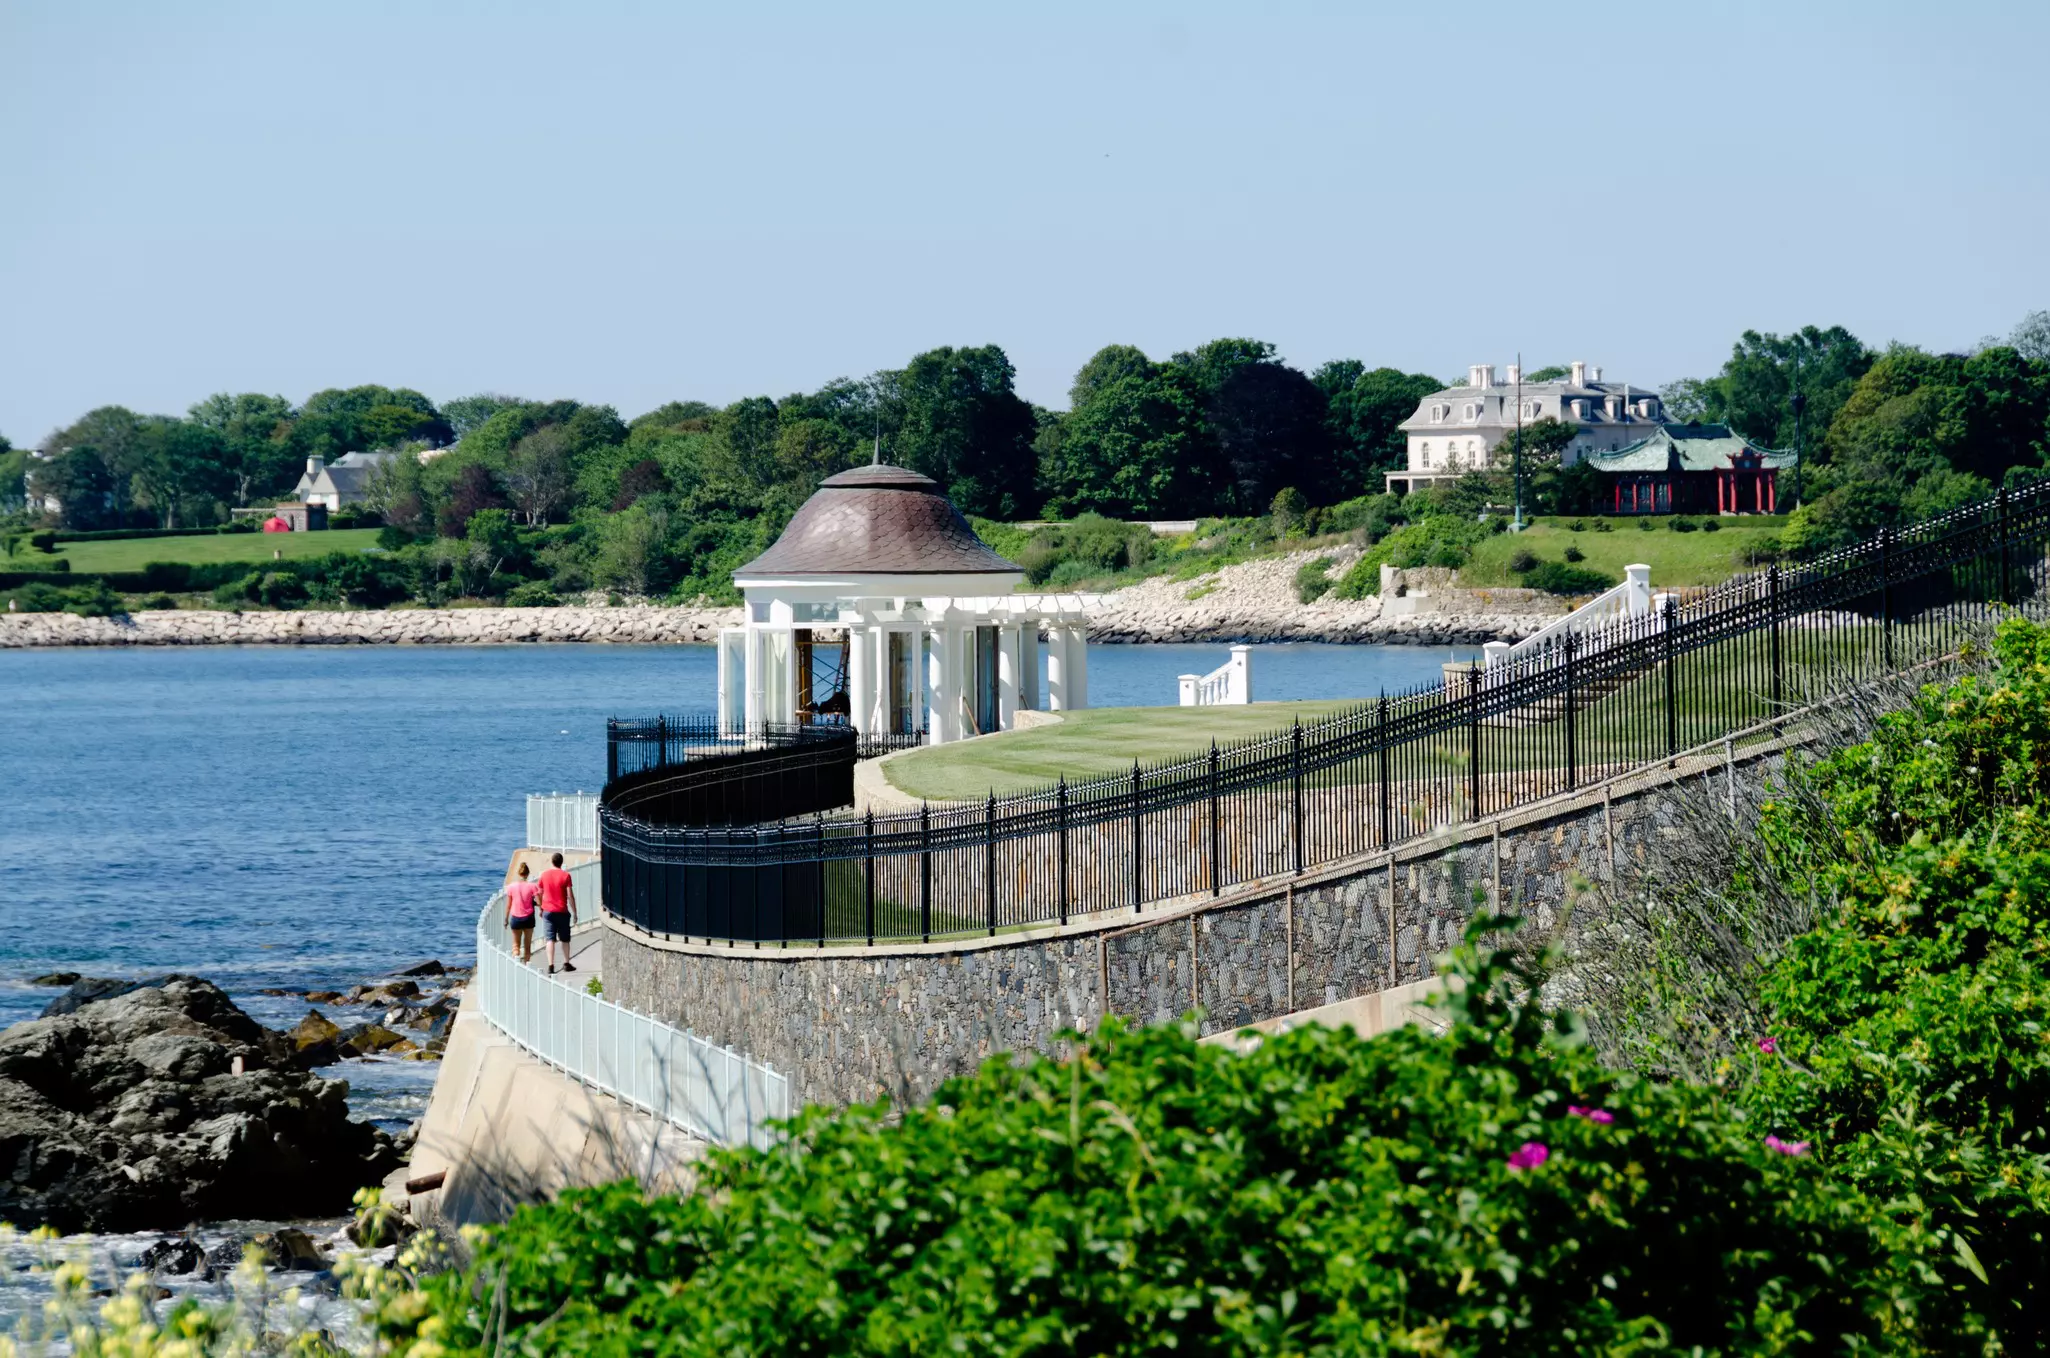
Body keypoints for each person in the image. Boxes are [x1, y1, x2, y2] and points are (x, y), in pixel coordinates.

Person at [536, 851, 578, 975]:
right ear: (561, 862)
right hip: (562, 911)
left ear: (552, 861)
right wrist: (575, 912)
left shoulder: (544, 875)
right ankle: (566, 963)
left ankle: (551, 966)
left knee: (550, 939)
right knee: (565, 939)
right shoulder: (566, 876)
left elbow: (538, 893)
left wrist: (541, 908)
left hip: (548, 911)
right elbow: (570, 895)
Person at [504, 861, 541, 963]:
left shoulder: (511, 887)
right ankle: (526, 966)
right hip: (529, 918)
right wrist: (536, 906)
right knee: (527, 945)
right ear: (528, 874)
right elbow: (539, 902)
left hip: (516, 918)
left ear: (519, 873)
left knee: (516, 945)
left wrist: (506, 919)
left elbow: (508, 905)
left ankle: (516, 964)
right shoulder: (532, 886)